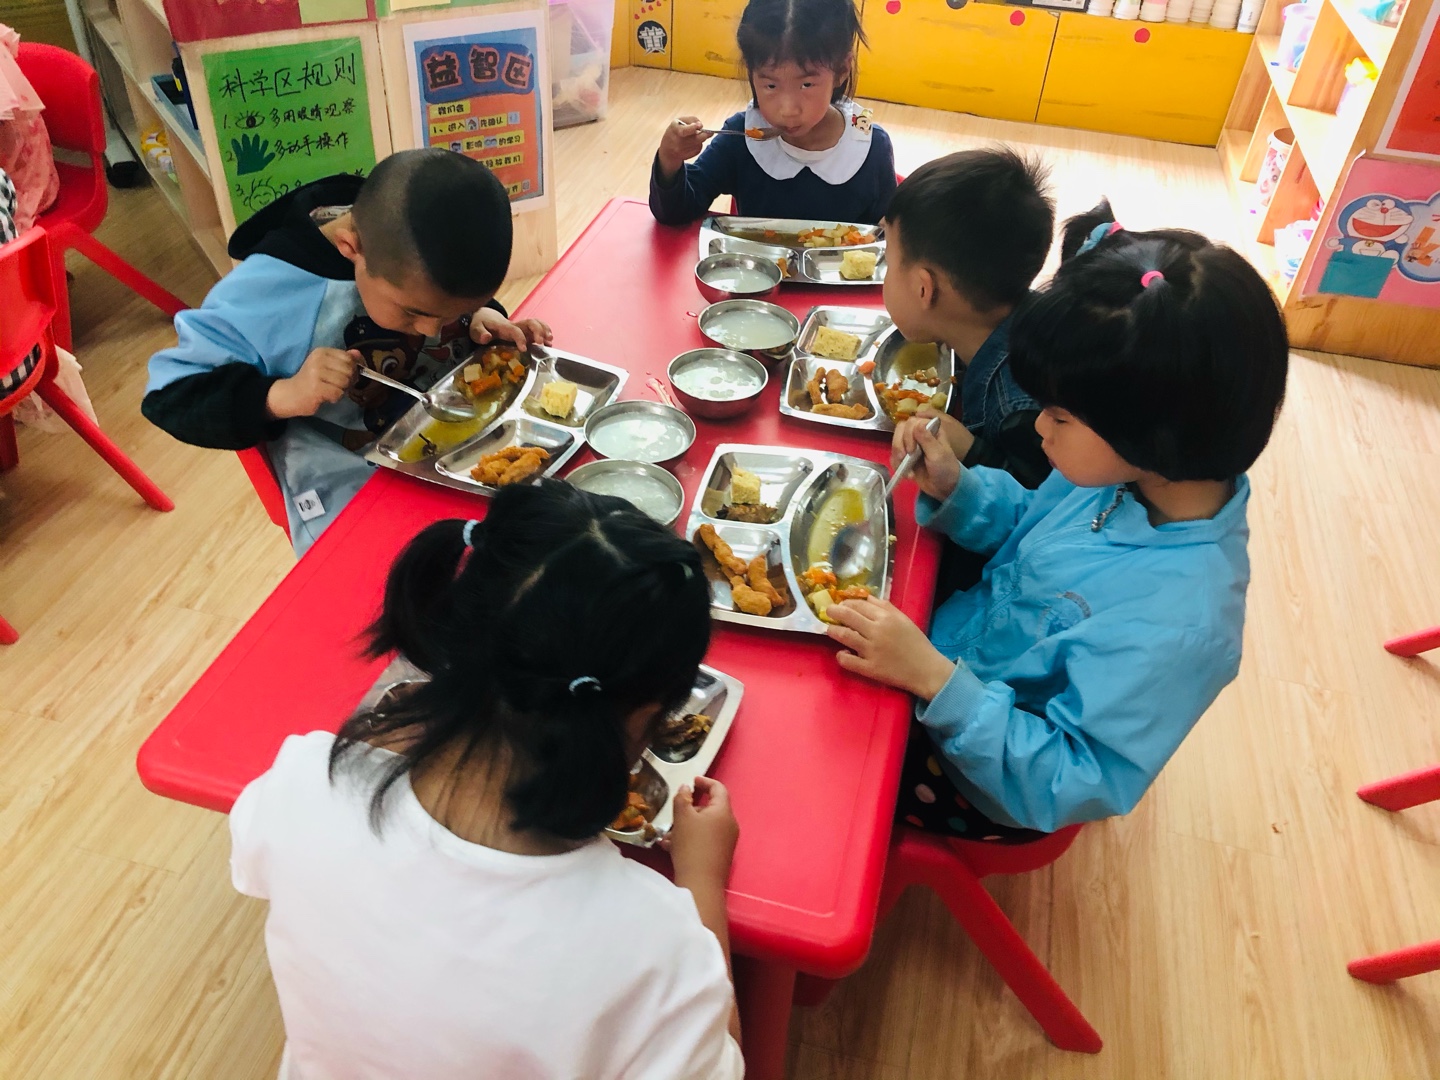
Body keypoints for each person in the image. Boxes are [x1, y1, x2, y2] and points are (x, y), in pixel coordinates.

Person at [229, 480, 745, 1079]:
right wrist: (702, 881)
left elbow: (264, 872)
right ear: (642, 718)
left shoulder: (304, 780)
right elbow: (721, 1061)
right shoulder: (652, 948)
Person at [825, 210, 1289, 841]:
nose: (1039, 424)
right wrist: (960, 490)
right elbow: (1029, 527)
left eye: (1060, 416)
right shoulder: (1122, 473)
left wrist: (932, 678)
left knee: (811, 757)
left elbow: (1070, 776)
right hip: (944, 656)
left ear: (1149, 433)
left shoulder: (1185, 624)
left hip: (976, 773)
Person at [143, 149, 552, 555]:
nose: (433, 330)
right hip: (355, 492)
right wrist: (280, 396)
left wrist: (482, 317)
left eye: (451, 314)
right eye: (414, 313)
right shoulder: (264, 294)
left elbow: (444, 300)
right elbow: (169, 396)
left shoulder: (421, 253)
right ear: (349, 246)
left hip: (464, 453)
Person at [882, 147, 1057, 600]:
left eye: (888, 259)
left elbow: (1039, 511)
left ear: (924, 288)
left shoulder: (1019, 404)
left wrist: (972, 451)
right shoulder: (1013, 316)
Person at [650, 0, 895, 225]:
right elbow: (677, 212)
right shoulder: (740, 137)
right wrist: (670, 160)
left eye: (806, 84)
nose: (788, 110)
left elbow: (888, 234)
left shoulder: (870, 145)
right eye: (770, 85)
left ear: (841, 70)